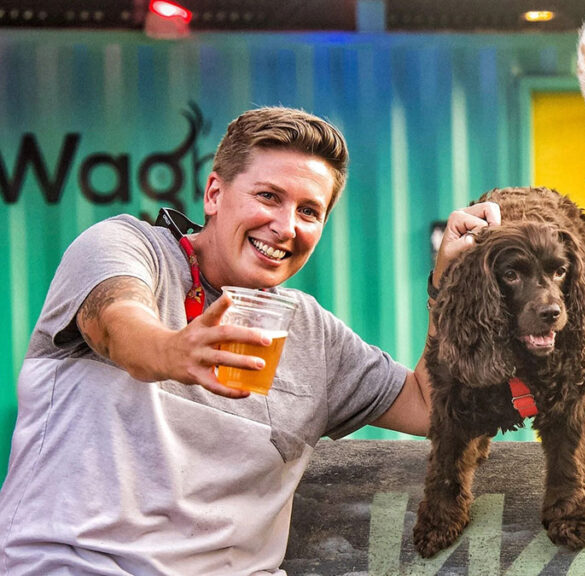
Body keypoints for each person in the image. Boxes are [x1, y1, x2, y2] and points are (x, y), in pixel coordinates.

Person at [0, 106, 500, 574]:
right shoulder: (128, 248)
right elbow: (117, 323)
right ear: (214, 194)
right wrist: (171, 352)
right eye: (268, 196)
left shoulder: (310, 331)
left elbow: (431, 407)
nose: (285, 227)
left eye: (309, 211)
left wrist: (450, 287)